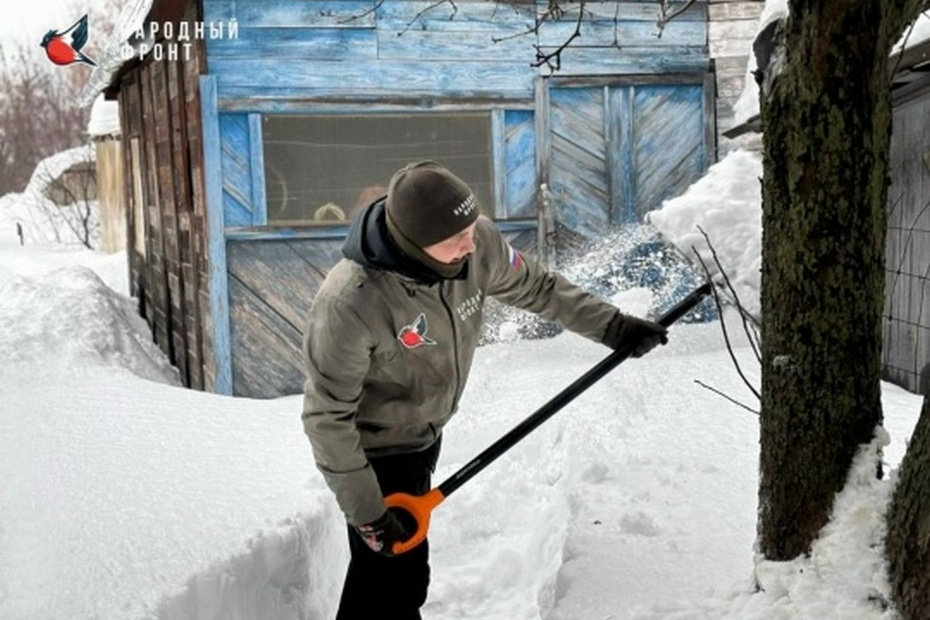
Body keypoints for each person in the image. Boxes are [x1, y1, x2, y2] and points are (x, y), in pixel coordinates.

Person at [301, 161, 668, 619]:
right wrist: (369, 515)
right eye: (457, 238)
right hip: (376, 447)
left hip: (424, 429)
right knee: (396, 582)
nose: (472, 244)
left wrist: (612, 326)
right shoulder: (351, 301)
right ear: (415, 244)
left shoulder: (475, 243)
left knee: (385, 581)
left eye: (472, 229)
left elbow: (539, 288)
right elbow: (327, 418)